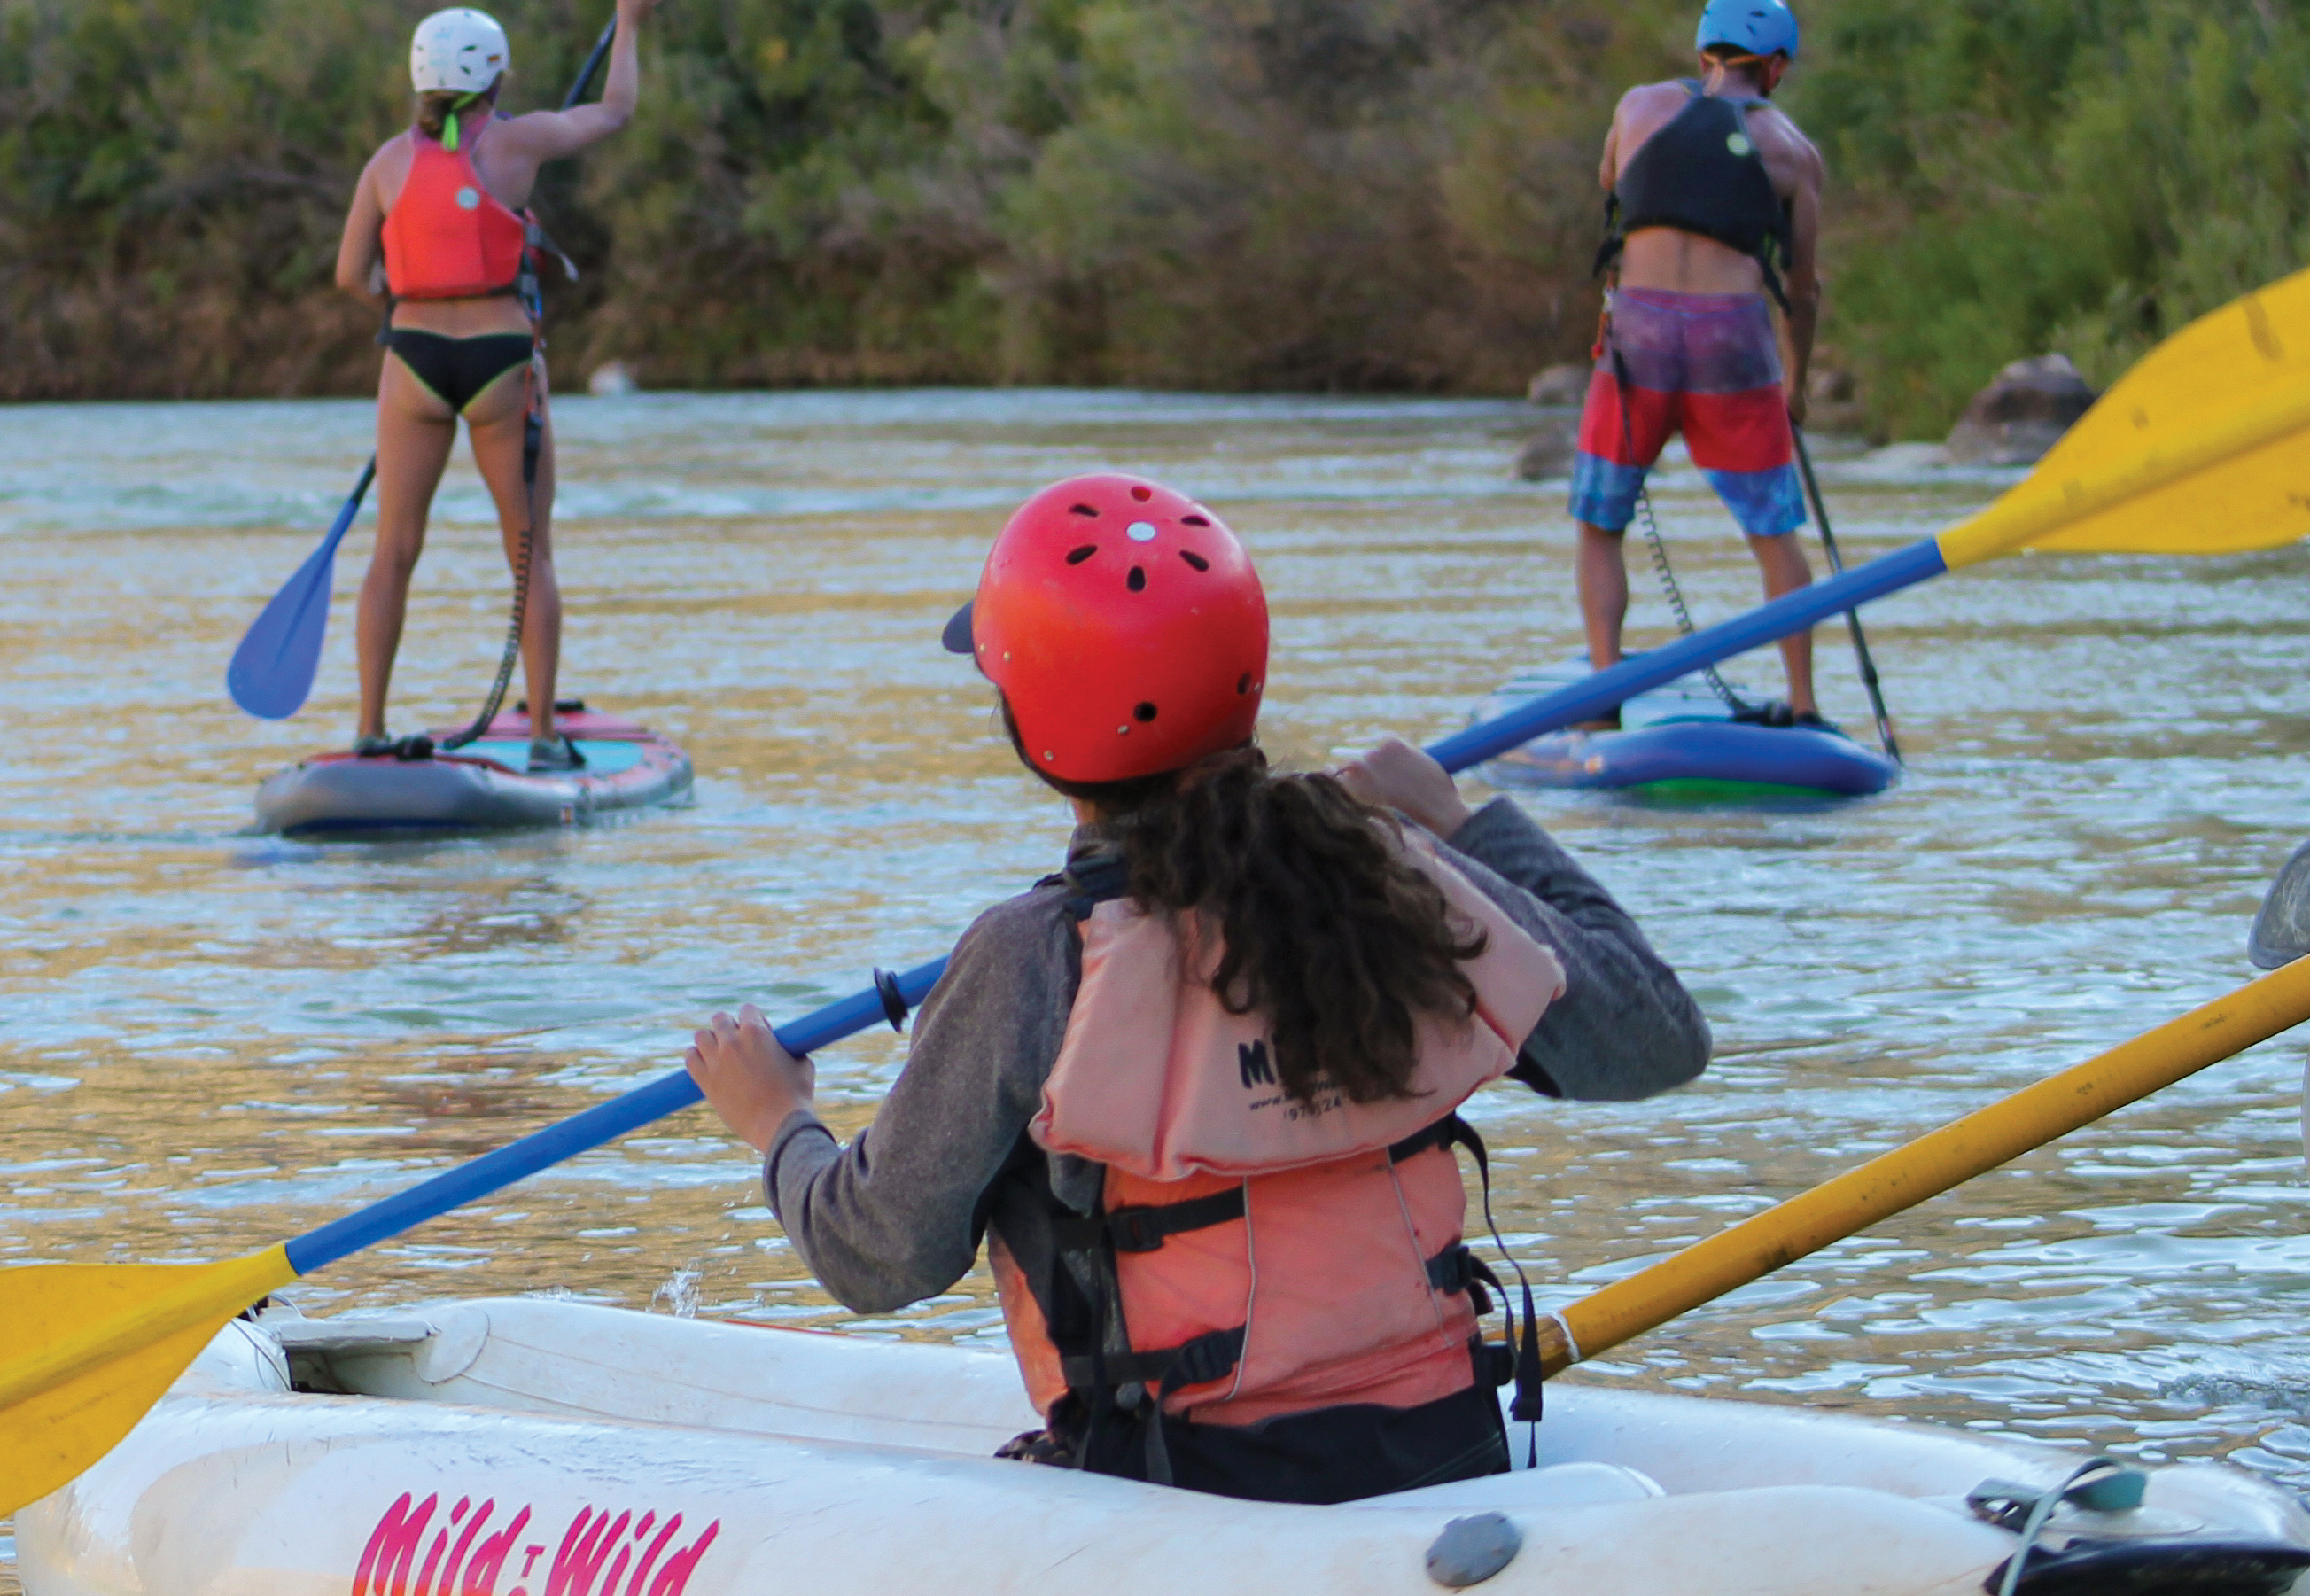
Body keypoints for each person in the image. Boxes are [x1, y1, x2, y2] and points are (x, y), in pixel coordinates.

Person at [681, 471, 1711, 1506]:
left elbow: (875, 1255)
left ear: (1033, 725)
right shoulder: (1388, 875)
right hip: (1444, 1454)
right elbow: (1657, 1040)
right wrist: (1462, 825)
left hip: (1188, 1498)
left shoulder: (1030, 956)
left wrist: (778, 1120)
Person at [328, 0, 673, 761]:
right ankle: (546, 735)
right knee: (529, 551)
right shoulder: (519, 142)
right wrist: (626, 21)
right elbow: (616, 111)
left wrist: (403, 286)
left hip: (411, 359)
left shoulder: (385, 164)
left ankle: (370, 729)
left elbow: (351, 276)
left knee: (393, 549)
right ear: (492, 76)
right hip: (501, 362)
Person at [1573, 0, 1832, 725]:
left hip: (1639, 339)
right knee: (1773, 532)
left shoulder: (1638, 107)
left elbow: (1610, 181)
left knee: (1600, 525)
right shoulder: (1794, 153)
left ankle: (1601, 697)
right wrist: (1798, 387)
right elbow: (1803, 287)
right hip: (1734, 344)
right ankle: (1805, 702)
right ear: (1776, 68)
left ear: (1701, 52)